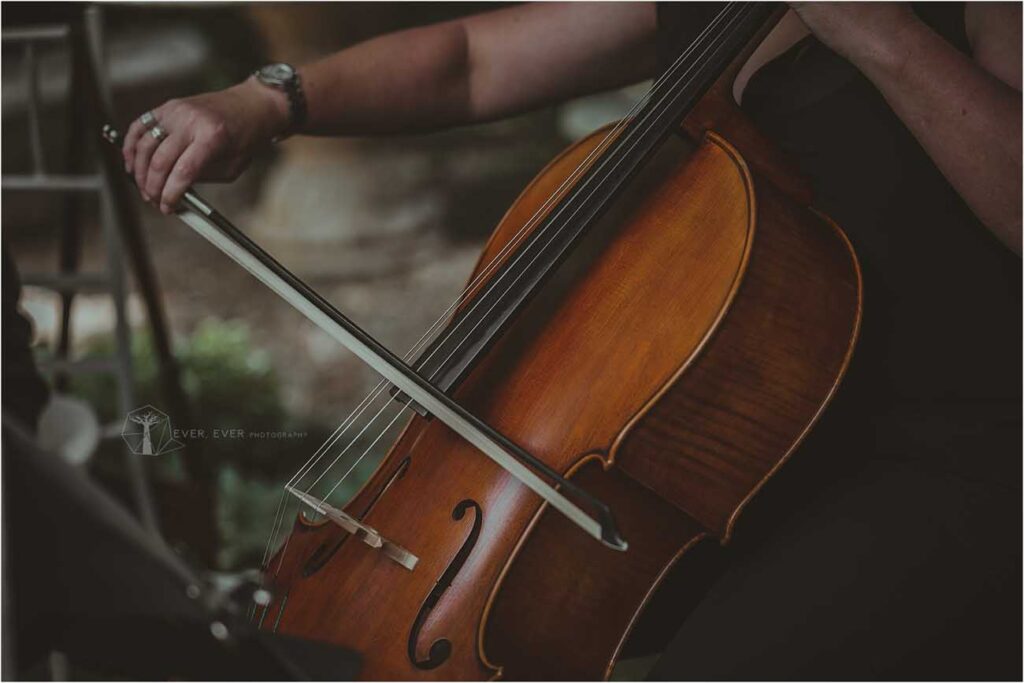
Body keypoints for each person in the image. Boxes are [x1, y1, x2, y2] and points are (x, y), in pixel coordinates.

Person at [123, 3, 1021, 678]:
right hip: (702, 444)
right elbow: (471, 61)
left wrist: (880, 32)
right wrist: (265, 100)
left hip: (944, 452)